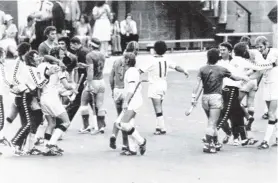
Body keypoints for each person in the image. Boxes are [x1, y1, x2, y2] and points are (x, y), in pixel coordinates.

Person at [192, 48, 249, 153]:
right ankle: (209, 145)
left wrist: (193, 98)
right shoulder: (222, 69)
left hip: (205, 98)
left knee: (211, 121)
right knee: (212, 123)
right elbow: (235, 78)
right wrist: (244, 78)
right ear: (217, 58)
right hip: (216, 98)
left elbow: (197, 85)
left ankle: (216, 142)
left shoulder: (202, 69)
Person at [139, 41, 188, 135]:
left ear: (154, 50)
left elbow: (140, 70)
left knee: (157, 108)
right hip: (163, 85)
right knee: (159, 106)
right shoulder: (166, 59)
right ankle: (158, 127)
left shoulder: (151, 60)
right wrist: (184, 71)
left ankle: (162, 127)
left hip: (154, 85)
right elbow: (176, 67)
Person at [114, 52, 147, 156]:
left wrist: (125, 101)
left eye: (124, 58)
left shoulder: (131, 71)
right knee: (128, 124)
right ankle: (132, 149)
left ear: (127, 60)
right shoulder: (131, 71)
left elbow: (131, 89)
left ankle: (141, 141)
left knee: (123, 123)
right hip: (134, 100)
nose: (122, 60)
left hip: (134, 100)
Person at [109, 41, 138, 151]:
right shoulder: (132, 61)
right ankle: (126, 144)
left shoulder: (116, 61)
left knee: (119, 116)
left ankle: (114, 135)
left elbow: (111, 77)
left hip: (117, 89)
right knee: (126, 119)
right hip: (126, 91)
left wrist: (112, 90)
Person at [79, 38, 106, 134]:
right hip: (101, 81)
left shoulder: (89, 55)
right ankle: (101, 126)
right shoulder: (102, 54)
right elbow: (96, 67)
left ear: (91, 45)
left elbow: (91, 71)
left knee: (83, 103)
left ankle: (86, 126)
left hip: (93, 81)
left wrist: (88, 82)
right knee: (100, 104)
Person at [255, 36, 278, 149]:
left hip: (276, 85)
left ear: (266, 45)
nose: (259, 49)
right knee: (271, 113)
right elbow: (259, 71)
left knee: (271, 113)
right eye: (257, 47)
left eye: (261, 47)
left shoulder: (275, 52)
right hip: (266, 85)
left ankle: (266, 141)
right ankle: (277, 137)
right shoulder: (258, 56)